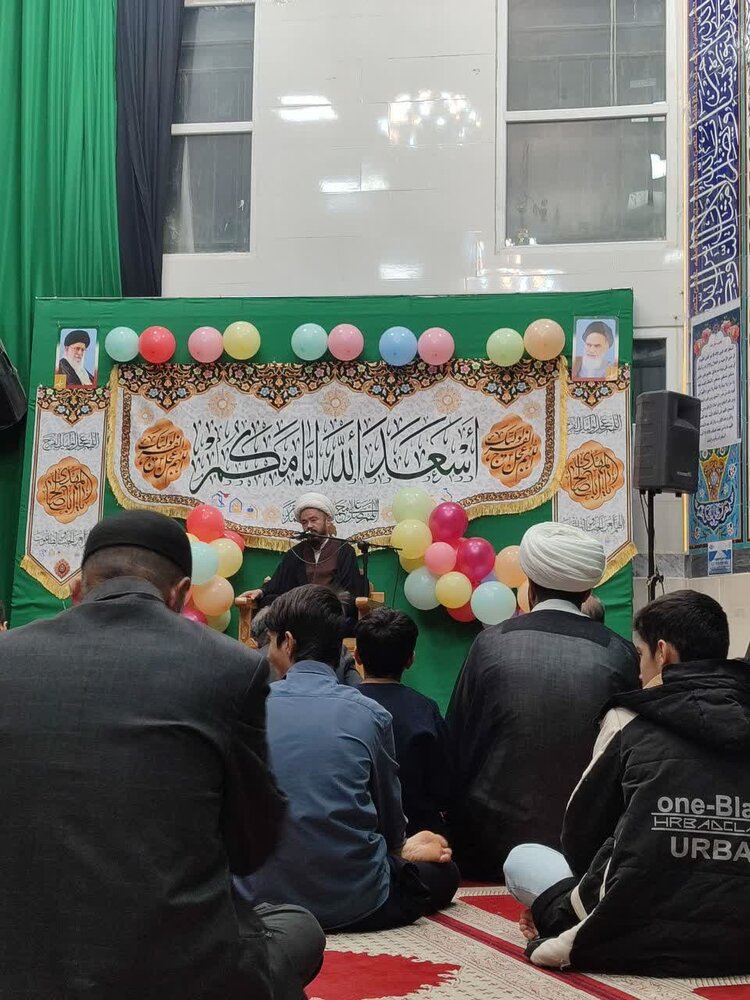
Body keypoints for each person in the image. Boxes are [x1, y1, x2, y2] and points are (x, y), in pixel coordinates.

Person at [0, 510, 324, 1000]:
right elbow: (251, 847)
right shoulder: (231, 667)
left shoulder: (7, 658)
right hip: (169, 974)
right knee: (296, 927)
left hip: (20, 967)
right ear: (181, 594)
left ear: (77, 590)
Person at [504, 590, 750, 976]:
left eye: (640, 654)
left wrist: (561, 909)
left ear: (663, 653)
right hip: (740, 940)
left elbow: (581, 834)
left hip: (631, 928)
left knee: (522, 859)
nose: (638, 671)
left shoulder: (626, 719)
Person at [234, 585, 460, 932]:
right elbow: (390, 827)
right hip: (354, 899)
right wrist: (403, 849)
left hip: (257, 895)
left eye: (272, 641)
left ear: (288, 642)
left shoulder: (245, 708)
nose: (268, 652)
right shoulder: (369, 713)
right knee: (445, 873)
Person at [446, 522, 639, 879]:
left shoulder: (490, 644)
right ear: (588, 591)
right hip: (587, 852)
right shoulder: (619, 652)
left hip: (490, 849)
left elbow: (458, 745)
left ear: (530, 587)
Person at [356, 608, 453, 836]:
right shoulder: (426, 711)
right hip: (417, 835)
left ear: (357, 656)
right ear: (410, 659)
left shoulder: (339, 707)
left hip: (354, 833)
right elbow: (445, 788)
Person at [238, 492, 365, 629]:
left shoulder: (344, 550)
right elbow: (278, 582)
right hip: (299, 615)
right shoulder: (296, 553)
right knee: (269, 601)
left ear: (327, 521)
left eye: (314, 520)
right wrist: (261, 591)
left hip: (331, 614)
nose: (309, 526)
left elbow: (350, 592)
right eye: (304, 522)